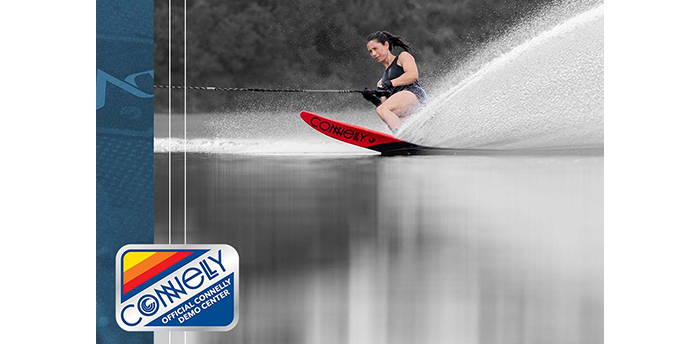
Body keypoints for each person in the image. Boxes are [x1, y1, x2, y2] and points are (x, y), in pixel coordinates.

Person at [361, 31, 428, 132]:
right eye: (370, 51)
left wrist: (390, 83)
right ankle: (406, 138)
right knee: (380, 110)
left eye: (375, 49)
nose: (373, 54)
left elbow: (413, 75)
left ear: (386, 45)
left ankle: (401, 135)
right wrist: (373, 99)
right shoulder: (381, 82)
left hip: (415, 96)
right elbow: (386, 107)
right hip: (404, 106)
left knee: (384, 109)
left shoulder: (403, 57)